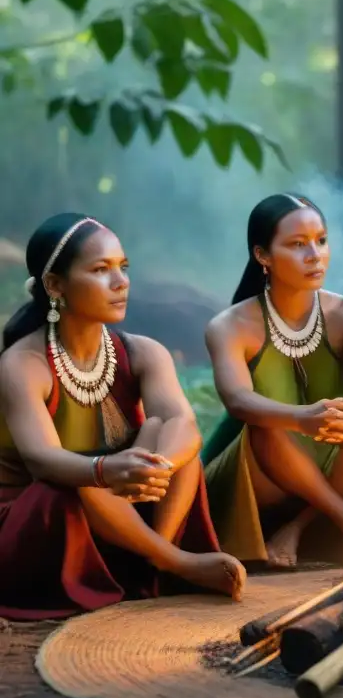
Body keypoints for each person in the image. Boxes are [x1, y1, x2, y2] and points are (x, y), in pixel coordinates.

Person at [0, 214, 245, 621]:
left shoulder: (143, 352)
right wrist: (107, 469)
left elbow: (183, 424)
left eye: (122, 267)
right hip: (39, 523)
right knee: (76, 480)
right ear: (55, 285)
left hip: (120, 514)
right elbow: (42, 459)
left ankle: (149, 559)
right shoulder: (23, 363)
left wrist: (154, 467)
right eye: (100, 270)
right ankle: (171, 562)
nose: (121, 282)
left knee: (168, 440)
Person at [203, 193, 343, 569]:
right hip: (257, 475)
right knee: (265, 422)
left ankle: (298, 528)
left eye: (321, 240)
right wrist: (300, 418)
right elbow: (238, 401)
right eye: (298, 245)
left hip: (328, 464)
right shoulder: (230, 326)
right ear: (263, 256)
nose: (315, 254)